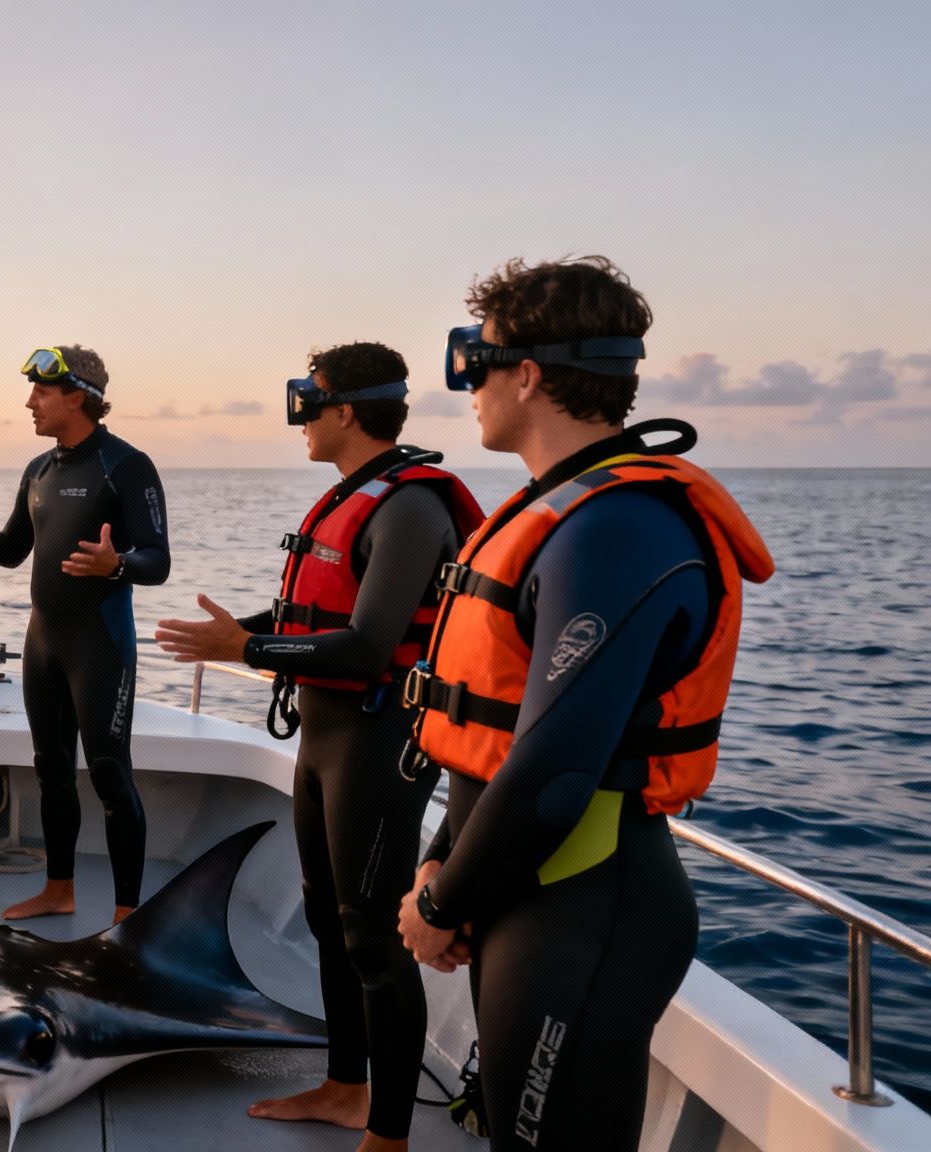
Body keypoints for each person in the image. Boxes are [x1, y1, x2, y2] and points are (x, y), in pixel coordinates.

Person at [394, 257, 774, 1151]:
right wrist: (446, 867)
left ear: (526, 374)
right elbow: (500, 749)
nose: (470, 392)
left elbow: (557, 773)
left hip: (586, 905)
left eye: (474, 365)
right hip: (525, 887)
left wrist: (444, 903)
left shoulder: (617, 529)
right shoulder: (566, 512)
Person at [155, 343, 484, 1151]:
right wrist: (247, 636)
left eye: (309, 398)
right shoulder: (355, 498)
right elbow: (316, 626)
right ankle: (344, 1088)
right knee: (327, 920)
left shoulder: (408, 507)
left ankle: (390, 1133)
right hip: (326, 741)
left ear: (346, 410)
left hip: (379, 742)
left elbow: (370, 647)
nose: (299, 414)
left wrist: (247, 652)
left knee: (373, 935)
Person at [0, 345, 169, 924]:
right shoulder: (38, 470)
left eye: (41, 392)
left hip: (100, 643)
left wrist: (117, 565)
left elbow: (157, 561)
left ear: (78, 396)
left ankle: (126, 915)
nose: (29, 403)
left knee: (110, 773)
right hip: (44, 642)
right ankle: (59, 891)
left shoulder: (127, 465)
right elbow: (13, 551)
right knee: (51, 767)